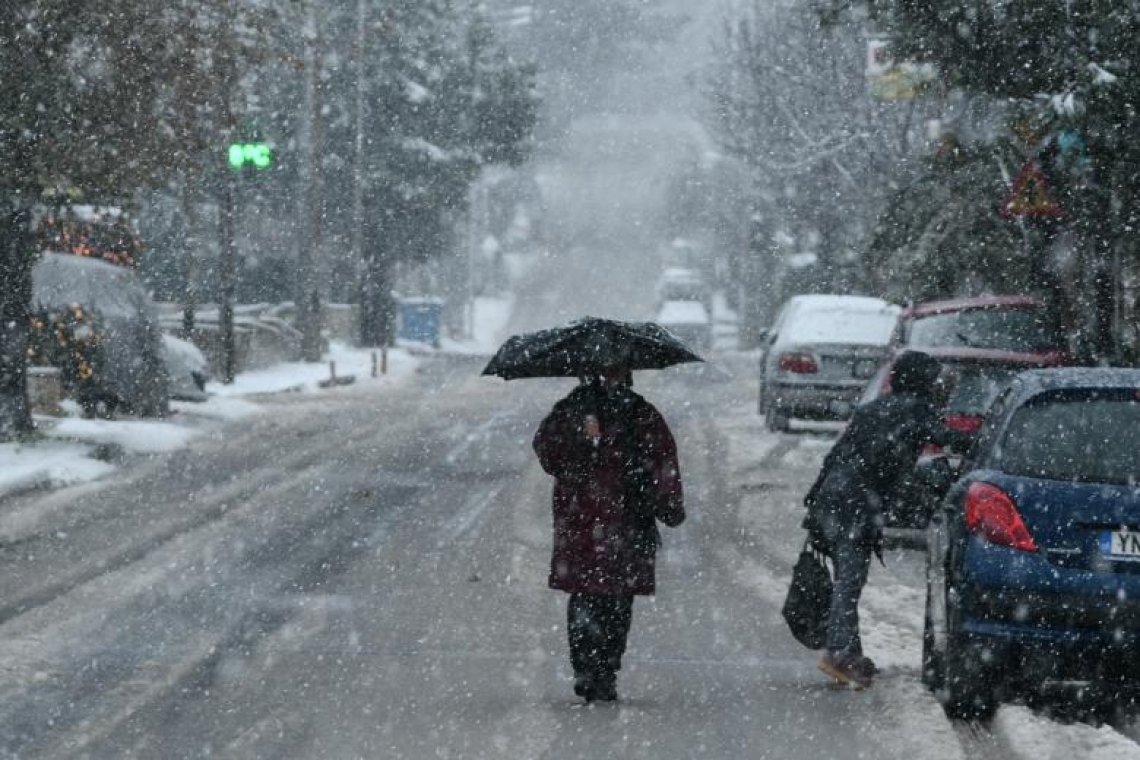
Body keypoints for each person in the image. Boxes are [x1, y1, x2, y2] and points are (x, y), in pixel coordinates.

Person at [803, 351, 971, 689]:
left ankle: (851, 652)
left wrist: (815, 498)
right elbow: (949, 439)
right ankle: (838, 654)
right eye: (935, 378)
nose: (940, 386)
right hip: (857, 503)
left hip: (834, 496)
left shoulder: (873, 408)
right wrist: (983, 441)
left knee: (847, 579)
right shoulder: (917, 409)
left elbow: (837, 453)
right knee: (850, 583)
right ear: (922, 380)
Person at [533, 366, 685, 702]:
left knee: (598, 595)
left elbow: (661, 459)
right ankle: (596, 668)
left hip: (595, 519)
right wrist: (582, 439)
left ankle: (597, 667)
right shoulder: (620, 411)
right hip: (611, 520)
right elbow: (663, 461)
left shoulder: (631, 412)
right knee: (606, 595)